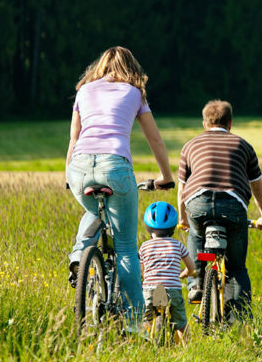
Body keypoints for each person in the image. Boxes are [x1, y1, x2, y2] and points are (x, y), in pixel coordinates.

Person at [65, 46, 174, 331]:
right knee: (125, 247)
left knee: (93, 211)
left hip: (78, 168)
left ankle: (79, 255)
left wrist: (69, 177)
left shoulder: (84, 91)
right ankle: (134, 324)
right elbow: (156, 141)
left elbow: (74, 138)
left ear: (100, 67)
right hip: (116, 167)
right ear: (131, 68)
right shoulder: (134, 92)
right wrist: (165, 176)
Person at [177, 100, 262, 320]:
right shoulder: (243, 146)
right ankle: (238, 318)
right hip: (233, 205)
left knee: (197, 235)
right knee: (236, 266)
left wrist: (182, 217)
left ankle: (197, 283)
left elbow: (182, 188)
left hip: (197, 203)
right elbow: (257, 186)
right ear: (230, 124)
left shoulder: (190, 146)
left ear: (204, 123)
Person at [139, 201, 195, 343]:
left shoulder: (144, 246)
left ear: (148, 226)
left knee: (145, 319)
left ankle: (144, 343)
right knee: (181, 323)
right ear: (172, 227)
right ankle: (188, 347)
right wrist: (184, 274)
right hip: (173, 289)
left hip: (149, 289)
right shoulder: (177, 244)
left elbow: (141, 271)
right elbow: (191, 267)